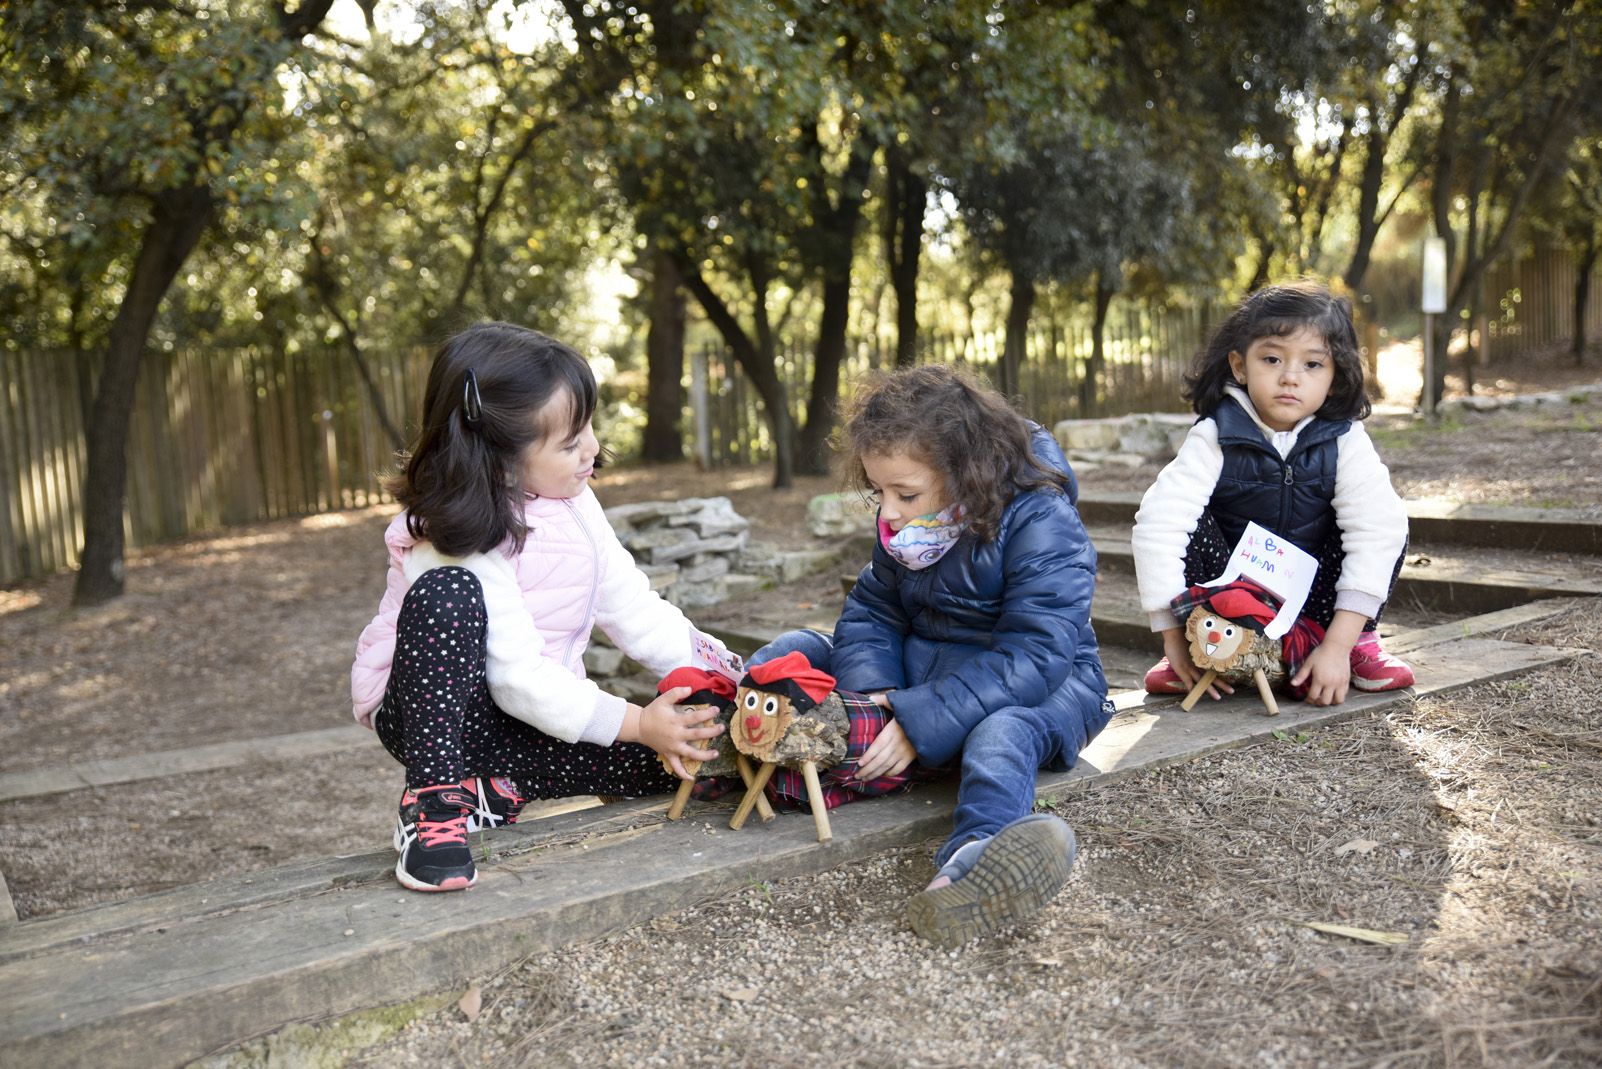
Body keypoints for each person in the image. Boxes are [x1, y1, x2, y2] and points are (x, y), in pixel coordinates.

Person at [350, 322, 740, 893]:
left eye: (587, 428)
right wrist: (636, 722)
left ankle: (496, 786)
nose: (591, 450)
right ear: (500, 460)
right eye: (568, 441)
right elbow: (516, 677)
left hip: (527, 715)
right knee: (447, 593)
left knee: (686, 759)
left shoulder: (577, 504)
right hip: (437, 717)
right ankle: (435, 805)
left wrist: (734, 676)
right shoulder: (449, 538)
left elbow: (636, 609)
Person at [751, 364, 1113, 947]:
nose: (888, 511)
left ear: (966, 473)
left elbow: (1036, 655)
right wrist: (874, 697)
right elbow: (872, 612)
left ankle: (974, 863)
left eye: (905, 493)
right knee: (795, 651)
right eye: (880, 492)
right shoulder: (908, 527)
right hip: (924, 679)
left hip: (1048, 687)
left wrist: (920, 721)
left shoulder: (1042, 520)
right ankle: (733, 747)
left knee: (1000, 735)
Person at [1132, 280, 1414, 707]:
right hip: (1232, 602)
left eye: (1313, 365)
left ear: (1336, 375)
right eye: (1271, 359)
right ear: (1240, 366)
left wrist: (1337, 647)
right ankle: (1198, 645)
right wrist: (1172, 636)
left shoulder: (1345, 440)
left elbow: (1377, 534)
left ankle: (1358, 644)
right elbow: (1159, 526)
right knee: (1178, 519)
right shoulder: (1215, 436)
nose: (1290, 377)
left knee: (1382, 518)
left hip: (1318, 602)